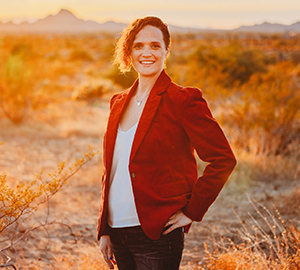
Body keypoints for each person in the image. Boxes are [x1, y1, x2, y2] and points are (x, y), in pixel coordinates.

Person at [97, 16, 236, 270]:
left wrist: (192, 211)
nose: (146, 53)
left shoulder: (182, 100)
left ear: (166, 51)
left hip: (157, 234)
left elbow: (223, 159)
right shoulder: (117, 102)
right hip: (117, 233)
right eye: (138, 46)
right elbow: (111, 171)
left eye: (154, 45)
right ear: (129, 51)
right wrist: (104, 228)